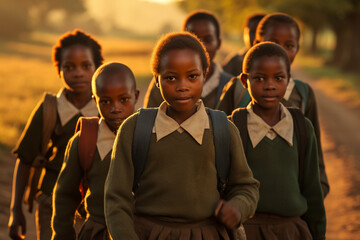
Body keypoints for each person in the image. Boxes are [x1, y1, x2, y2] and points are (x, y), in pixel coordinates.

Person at [105, 32, 259, 240]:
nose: (182, 86)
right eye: (170, 78)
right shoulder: (134, 129)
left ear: (205, 75)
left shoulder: (223, 129)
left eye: (192, 76)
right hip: (148, 234)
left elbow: (246, 186)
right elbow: (116, 198)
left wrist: (238, 207)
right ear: (157, 81)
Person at [8, 29, 103, 240]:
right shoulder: (49, 109)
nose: (78, 73)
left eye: (86, 66)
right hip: (51, 199)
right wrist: (15, 210)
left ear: (97, 68)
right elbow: (24, 160)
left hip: (94, 205)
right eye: (69, 67)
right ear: (59, 70)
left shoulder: (106, 109)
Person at [230, 42, 326, 240]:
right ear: (244, 80)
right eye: (259, 78)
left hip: (292, 230)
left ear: (288, 80)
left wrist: (318, 233)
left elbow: (313, 191)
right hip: (247, 231)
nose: (270, 85)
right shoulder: (233, 127)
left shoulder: (301, 127)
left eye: (279, 78)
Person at [51, 62, 139, 240]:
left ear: (136, 96)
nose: (115, 108)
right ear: (94, 100)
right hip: (98, 232)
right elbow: (64, 196)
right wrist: (63, 235)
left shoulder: (150, 136)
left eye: (124, 99)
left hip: (141, 231)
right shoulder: (85, 141)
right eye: (105, 101)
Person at [253, 12, 329, 197]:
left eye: (289, 46)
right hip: (248, 198)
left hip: (292, 193)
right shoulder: (239, 89)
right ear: (255, 44)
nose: (281, 52)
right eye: (273, 43)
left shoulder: (303, 93)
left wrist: (319, 187)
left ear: (297, 48)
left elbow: (314, 147)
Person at [143, 10, 232, 109]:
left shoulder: (231, 85)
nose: (201, 45)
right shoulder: (162, 84)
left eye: (207, 40)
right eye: (194, 39)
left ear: (218, 43)